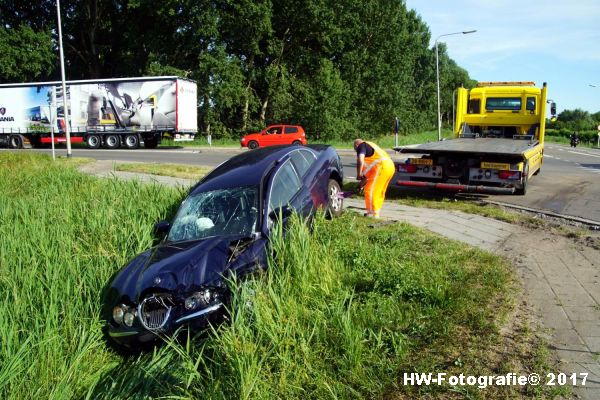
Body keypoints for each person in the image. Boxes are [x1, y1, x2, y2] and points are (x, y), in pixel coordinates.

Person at [353, 138, 395, 218]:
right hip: (389, 166)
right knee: (379, 191)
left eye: (355, 149)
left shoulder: (361, 145)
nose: (356, 151)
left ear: (356, 145)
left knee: (370, 191)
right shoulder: (371, 149)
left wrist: (358, 175)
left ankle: (372, 214)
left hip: (381, 167)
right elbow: (366, 178)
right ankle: (376, 212)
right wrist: (360, 185)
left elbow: (360, 161)